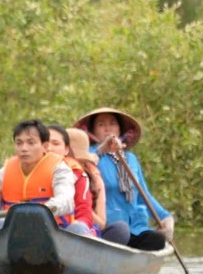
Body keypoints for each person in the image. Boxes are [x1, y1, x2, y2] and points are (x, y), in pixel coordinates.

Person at [74, 107, 173, 250]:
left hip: (136, 228)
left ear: (120, 129)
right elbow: (80, 165)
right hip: (109, 229)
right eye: (101, 125)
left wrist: (165, 217)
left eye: (112, 123)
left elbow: (143, 196)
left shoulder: (130, 159)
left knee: (157, 240)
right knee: (120, 232)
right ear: (92, 131)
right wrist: (102, 149)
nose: (108, 129)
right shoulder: (89, 155)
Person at [0, 119, 75, 228]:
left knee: (79, 228)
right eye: (19, 143)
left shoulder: (60, 169)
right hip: (16, 231)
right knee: (1, 223)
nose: (24, 148)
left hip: (52, 229)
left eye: (30, 143)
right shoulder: (4, 173)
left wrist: (42, 210)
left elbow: (66, 200)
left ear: (45, 146)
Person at [44, 125, 101, 237]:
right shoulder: (28, 168)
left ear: (66, 150)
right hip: (36, 229)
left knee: (78, 228)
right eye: (45, 143)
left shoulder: (78, 174)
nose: (49, 148)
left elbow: (84, 213)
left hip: (67, 229)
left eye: (55, 144)